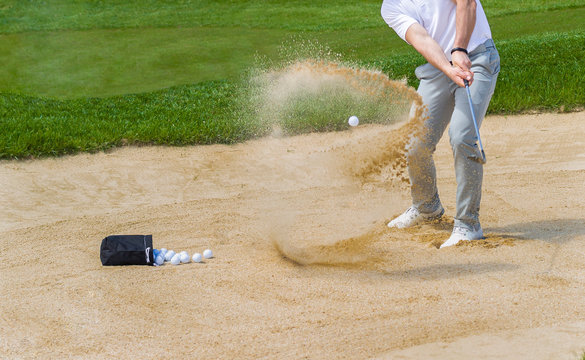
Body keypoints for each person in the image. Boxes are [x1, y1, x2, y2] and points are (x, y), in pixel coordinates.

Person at [380, 0, 500, 248]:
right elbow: (422, 39)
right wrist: (448, 68)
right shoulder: (390, 7)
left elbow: (466, 3)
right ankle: (427, 207)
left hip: (476, 56)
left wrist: (459, 49)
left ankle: (468, 224)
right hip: (439, 67)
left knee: (462, 137)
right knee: (415, 143)